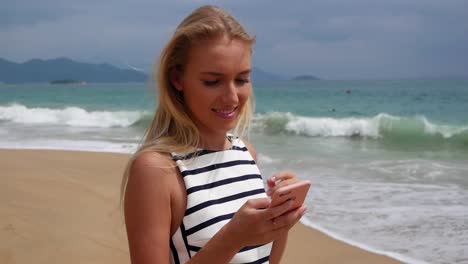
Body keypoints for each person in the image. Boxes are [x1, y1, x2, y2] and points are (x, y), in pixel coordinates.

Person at [120, 5, 307, 264]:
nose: (231, 97)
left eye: (241, 80)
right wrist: (232, 238)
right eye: (212, 81)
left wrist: (280, 219)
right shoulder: (158, 170)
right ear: (177, 79)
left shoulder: (246, 153)